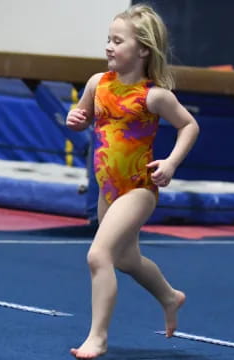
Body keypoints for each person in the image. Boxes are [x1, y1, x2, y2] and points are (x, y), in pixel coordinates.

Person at [66, 4, 199, 359]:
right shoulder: (98, 83)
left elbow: (189, 125)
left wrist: (170, 163)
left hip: (139, 187)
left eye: (118, 41)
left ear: (143, 49)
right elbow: (82, 116)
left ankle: (98, 337)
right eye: (108, 39)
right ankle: (170, 296)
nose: (109, 46)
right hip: (108, 188)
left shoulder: (153, 96)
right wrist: (76, 119)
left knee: (99, 255)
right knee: (126, 259)